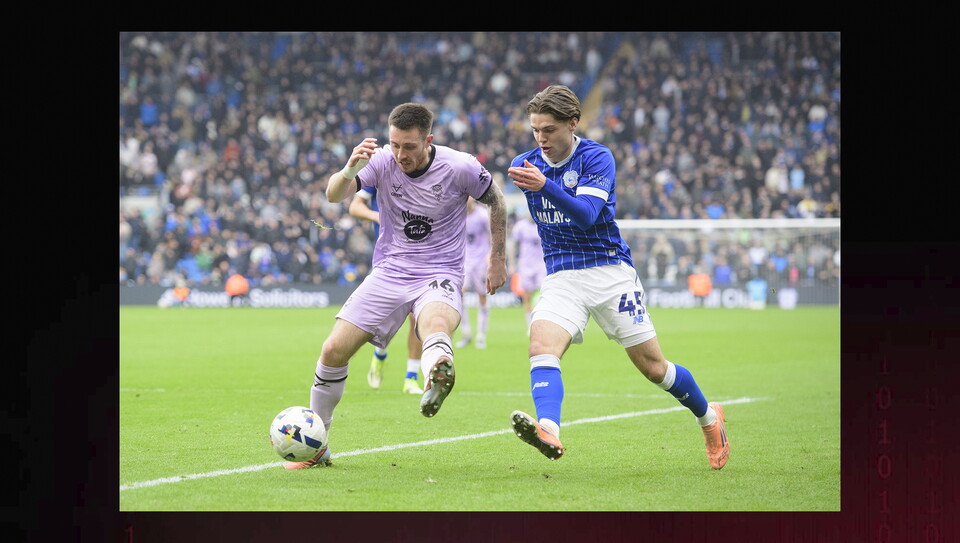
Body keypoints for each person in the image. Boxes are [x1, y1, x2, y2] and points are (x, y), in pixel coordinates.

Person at [506, 85, 729, 470]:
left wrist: (547, 187)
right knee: (541, 345)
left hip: (610, 271)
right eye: (535, 130)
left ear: (572, 123)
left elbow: (588, 214)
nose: (541, 139)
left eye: (549, 130)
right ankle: (548, 430)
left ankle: (710, 418)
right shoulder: (528, 163)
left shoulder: (596, 157)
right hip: (561, 273)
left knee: (654, 368)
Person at [285, 102, 508, 469]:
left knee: (434, 324)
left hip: (440, 271)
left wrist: (497, 259)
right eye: (395, 145)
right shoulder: (382, 159)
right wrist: (350, 167)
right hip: (390, 271)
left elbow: (497, 201)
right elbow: (333, 196)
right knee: (332, 351)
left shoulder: (460, 166)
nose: (400, 154)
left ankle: (437, 374)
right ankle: (318, 446)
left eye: (409, 146)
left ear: (428, 140)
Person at [349, 186, 424, 394]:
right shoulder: (379, 173)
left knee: (415, 318)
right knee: (386, 317)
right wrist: (378, 216)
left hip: (420, 257)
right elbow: (355, 207)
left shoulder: (422, 173)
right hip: (388, 259)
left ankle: (411, 378)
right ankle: (379, 353)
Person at [455, 197, 492, 349]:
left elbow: (494, 234)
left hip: (481, 261)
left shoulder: (482, 215)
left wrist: (490, 254)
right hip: (464, 261)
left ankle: (481, 335)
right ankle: (466, 333)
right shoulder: (458, 214)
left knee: (482, 296)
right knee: (460, 295)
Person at [509, 204, 547, 331]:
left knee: (544, 294)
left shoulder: (543, 224)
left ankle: (543, 322)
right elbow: (514, 245)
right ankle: (530, 326)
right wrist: (512, 263)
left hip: (541, 264)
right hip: (525, 265)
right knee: (527, 296)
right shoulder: (520, 226)